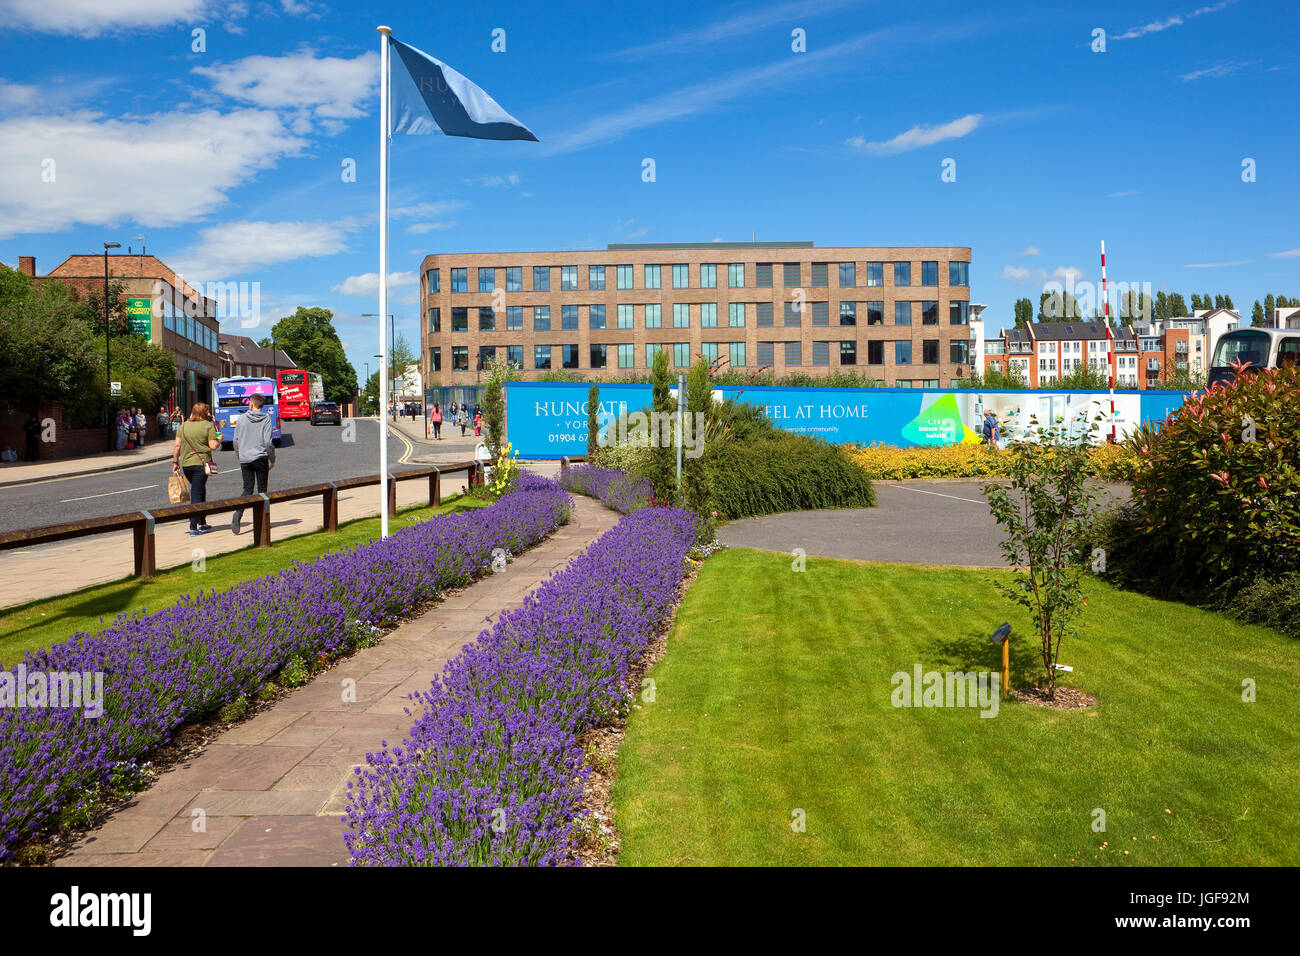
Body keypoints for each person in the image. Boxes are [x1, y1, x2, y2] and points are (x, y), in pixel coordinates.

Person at [230, 393, 276, 535]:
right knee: (262, 491)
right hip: (261, 458)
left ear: (251, 404)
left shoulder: (242, 419)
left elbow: (235, 441)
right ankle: (262, 520)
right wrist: (272, 459)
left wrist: (240, 456)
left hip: (245, 459)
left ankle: (238, 513)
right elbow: (268, 442)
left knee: (247, 489)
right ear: (262, 405)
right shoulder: (266, 419)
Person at [173, 402, 220, 535]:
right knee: (196, 494)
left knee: (200, 490)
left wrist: (175, 462)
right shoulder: (207, 426)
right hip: (201, 464)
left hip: (186, 465)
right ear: (204, 413)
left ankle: (202, 522)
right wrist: (219, 439)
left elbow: (177, 446)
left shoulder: (183, 426)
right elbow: (213, 446)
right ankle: (193, 527)